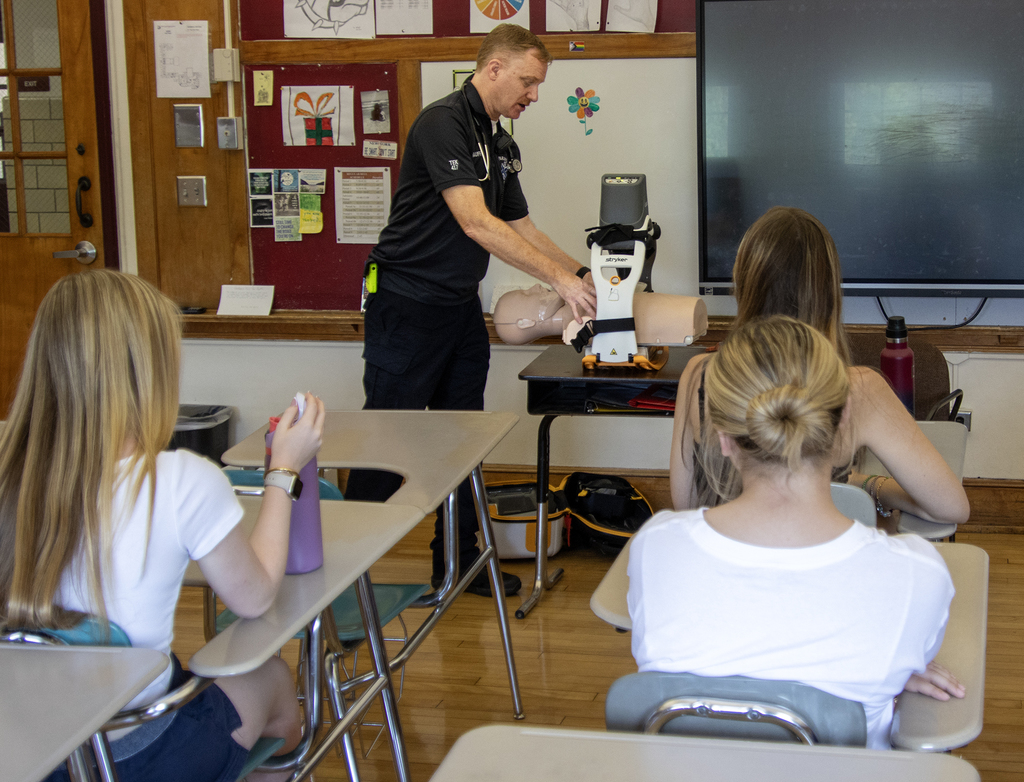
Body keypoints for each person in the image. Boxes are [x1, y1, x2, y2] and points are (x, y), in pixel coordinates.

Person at [0, 270, 325, 782]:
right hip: (137, 757)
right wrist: (283, 469)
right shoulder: (179, 481)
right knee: (275, 681)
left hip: (28, 753)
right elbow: (255, 597)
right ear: (150, 372)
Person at [630, 316, 965, 750]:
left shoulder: (655, 548)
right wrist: (892, 666)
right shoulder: (916, 576)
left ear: (723, 438)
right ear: (843, 422)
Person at [346, 24, 597, 597]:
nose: (533, 95)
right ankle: (336, 576)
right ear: (494, 69)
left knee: (462, 439)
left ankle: (457, 565)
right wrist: (558, 279)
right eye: (528, 81)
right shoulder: (442, 124)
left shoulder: (501, 142)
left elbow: (520, 226)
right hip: (405, 305)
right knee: (385, 439)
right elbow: (474, 222)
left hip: (459, 309)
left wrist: (583, 275)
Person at [669, 206, 971, 527]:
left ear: (742, 281)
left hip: (723, 570)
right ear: (829, 291)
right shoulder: (859, 388)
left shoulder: (700, 376)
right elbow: (951, 507)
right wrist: (866, 486)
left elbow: (686, 505)